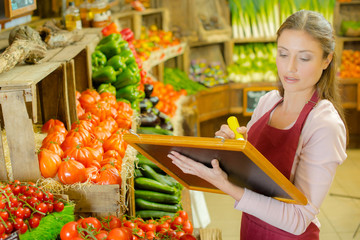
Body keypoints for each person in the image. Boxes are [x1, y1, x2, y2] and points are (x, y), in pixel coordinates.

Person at [168, 10, 347, 240]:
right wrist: (233, 150)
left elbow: (298, 219)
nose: (290, 67)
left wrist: (227, 186)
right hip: (250, 230)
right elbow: (251, 176)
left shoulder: (324, 124)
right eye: (283, 54)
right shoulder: (268, 102)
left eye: (304, 58)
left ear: (327, 59)